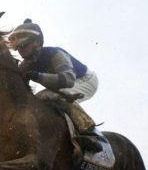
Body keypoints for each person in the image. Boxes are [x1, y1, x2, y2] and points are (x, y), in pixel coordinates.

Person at [8, 19, 102, 152]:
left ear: (37, 42)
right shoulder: (27, 62)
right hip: (64, 83)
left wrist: (36, 75)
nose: (20, 51)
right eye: (18, 48)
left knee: (50, 95)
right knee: (37, 100)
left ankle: (89, 132)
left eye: (24, 45)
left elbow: (68, 80)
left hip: (85, 80)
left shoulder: (55, 53)